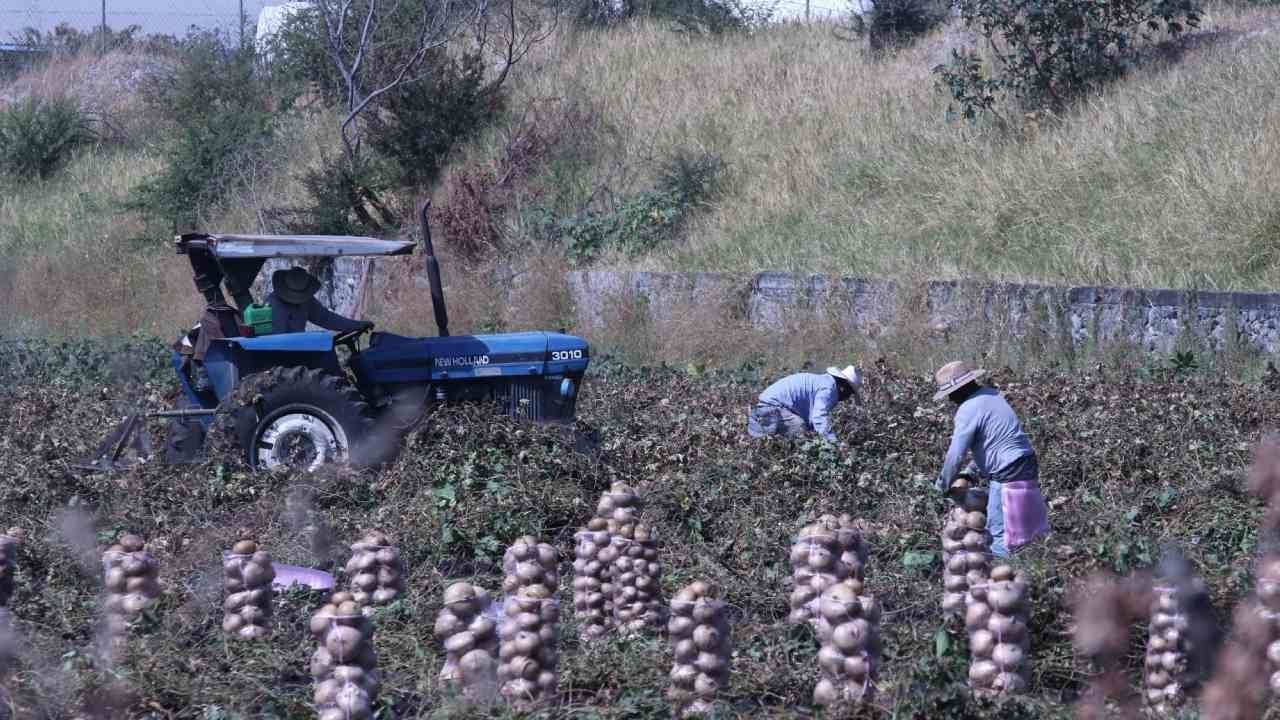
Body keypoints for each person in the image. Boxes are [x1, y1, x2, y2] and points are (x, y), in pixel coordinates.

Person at [933, 360, 1050, 557]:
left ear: (959, 390)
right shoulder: (993, 395)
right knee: (1026, 527)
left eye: (950, 394)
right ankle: (1038, 558)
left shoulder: (968, 408)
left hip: (1008, 472)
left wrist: (941, 486)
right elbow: (995, 444)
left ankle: (1002, 578)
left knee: (1000, 534)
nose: (951, 399)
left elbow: (955, 455)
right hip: (1026, 462)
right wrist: (969, 473)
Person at [747, 365, 863, 441]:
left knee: (805, 432)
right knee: (800, 429)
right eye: (849, 393)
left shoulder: (824, 382)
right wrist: (834, 443)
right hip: (771, 409)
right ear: (844, 388)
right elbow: (818, 418)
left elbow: (812, 420)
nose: (847, 398)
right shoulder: (829, 388)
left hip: (766, 409)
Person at [266, 266, 373, 335]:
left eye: (299, 295)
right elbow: (277, 341)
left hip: (298, 349)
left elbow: (327, 318)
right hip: (283, 355)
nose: (296, 299)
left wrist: (356, 325)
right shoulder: (272, 305)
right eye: (294, 295)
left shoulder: (306, 301)